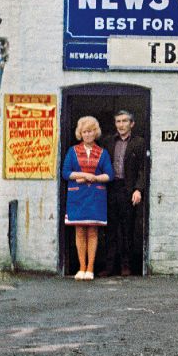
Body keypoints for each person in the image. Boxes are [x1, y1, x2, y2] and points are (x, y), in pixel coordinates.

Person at [62, 115, 111, 280]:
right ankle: (81, 267)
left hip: (95, 196)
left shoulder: (102, 153)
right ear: (80, 133)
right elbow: (66, 173)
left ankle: (90, 268)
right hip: (78, 196)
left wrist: (94, 178)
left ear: (95, 133)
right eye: (85, 132)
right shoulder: (72, 151)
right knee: (79, 231)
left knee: (92, 232)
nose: (88, 135)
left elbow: (109, 175)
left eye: (91, 131)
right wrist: (84, 174)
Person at [105, 110, 146, 276]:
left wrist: (138, 189)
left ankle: (126, 266)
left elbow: (143, 168)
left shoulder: (139, 142)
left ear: (132, 124)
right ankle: (108, 267)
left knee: (127, 229)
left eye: (124, 121)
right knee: (110, 229)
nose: (121, 125)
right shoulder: (108, 141)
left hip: (128, 189)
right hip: (111, 188)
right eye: (118, 121)